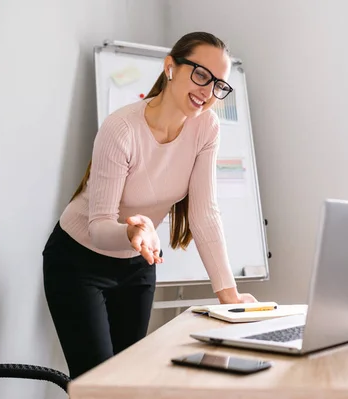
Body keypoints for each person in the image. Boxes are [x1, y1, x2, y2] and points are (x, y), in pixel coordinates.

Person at [42, 31, 257, 379]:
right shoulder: (122, 128)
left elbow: (204, 213)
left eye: (219, 84)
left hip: (137, 267)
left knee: (130, 380)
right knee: (97, 384)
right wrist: (133, 231)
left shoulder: (206, 128)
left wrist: (229, 295)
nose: (207, 90)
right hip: (78, 263)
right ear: (170, 67)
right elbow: (99, 228)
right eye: (201, 74)